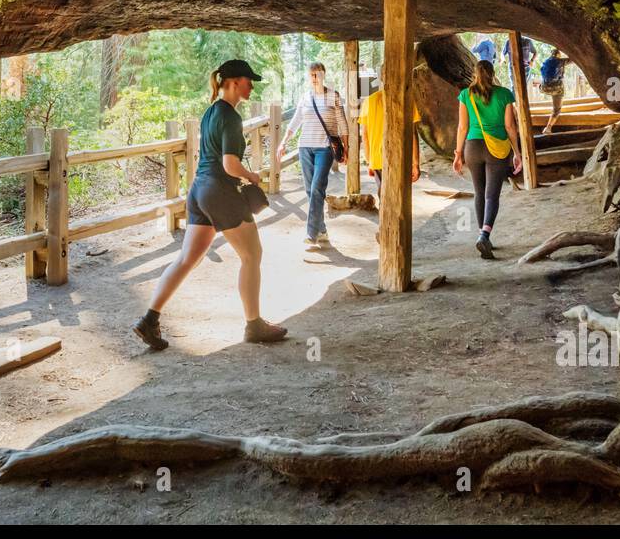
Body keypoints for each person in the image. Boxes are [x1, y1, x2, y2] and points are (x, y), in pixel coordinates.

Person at [132, 59, 288, 351]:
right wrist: (251, 175)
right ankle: (254, 325)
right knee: (252, 255)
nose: (251, 85)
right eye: (247, 80)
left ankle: (149, 320)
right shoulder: (230, 116)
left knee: (186, 258)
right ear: (232, 82)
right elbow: (230, 164)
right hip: (220, 191)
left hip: (199, 190)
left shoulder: (210, 112)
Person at [452, 59, 521, 259]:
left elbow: (462, 127)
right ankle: (485, 234)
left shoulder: (466, 95)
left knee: (479, 192)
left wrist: (458, 154)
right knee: (492, 195)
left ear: (475, 74)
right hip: (497, 148)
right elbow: (510, 127)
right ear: (492, 73)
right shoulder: (504, 94)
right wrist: (516, 152)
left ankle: (482, 235)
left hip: (472, 147)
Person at [280, 61, 349, 249]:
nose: (314, 77)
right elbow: (295, 121)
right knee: (310, 191)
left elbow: (342, 122)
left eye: (317, 73)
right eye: (311, 74)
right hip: (305, 148)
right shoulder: (305, 97)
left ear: (324, 74)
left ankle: (311, 234)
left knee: (317, 188)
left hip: (324, 148)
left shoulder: (333, 96)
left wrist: (347, 146)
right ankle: (323, 230)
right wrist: (283, 142)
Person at [358, 71, 421, 197]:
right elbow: (413, 134)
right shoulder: (407, 100)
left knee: (385, 195)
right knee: (398, 196)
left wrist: (369, 160)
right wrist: (415, 163)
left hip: (377, 158)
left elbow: (364, 135)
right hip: (401, 157)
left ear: (380, 78)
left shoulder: (369, 101)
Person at [540, 48, 573, 134]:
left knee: (545, 84)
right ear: (558, 54)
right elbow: (573, 59)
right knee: (556, 109)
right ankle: (548, 127)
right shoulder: (561, 61)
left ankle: (548, 128)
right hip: (556, 88)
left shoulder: (546, 61)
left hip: (544, 88)